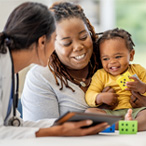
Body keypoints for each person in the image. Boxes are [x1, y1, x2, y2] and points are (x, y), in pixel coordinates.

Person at [0, 2, 109, 139]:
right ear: (42, 42)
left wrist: (66, 124)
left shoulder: (9, 68)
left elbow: (14, 126)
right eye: (59, 41)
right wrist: (58, 131)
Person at [21, 1, 107, 120]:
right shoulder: (41, 77)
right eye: (67, 43)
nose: (78, 47)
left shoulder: (107, 59)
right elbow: (40, 132)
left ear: (90, 32)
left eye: (83, 37)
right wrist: (89, 118)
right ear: (52, 45)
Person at [85, 28, 146, 131]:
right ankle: (123, 126)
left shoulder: (138, 70)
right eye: (105, 59)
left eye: (117, 57)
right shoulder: (100, 75)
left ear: (131, 55)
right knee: (89, 113)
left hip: (136, 111)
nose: (112, 62)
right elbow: (90, 94)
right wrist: (100, 97)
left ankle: (116, 126)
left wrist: (142, 87)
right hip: (111, 113)